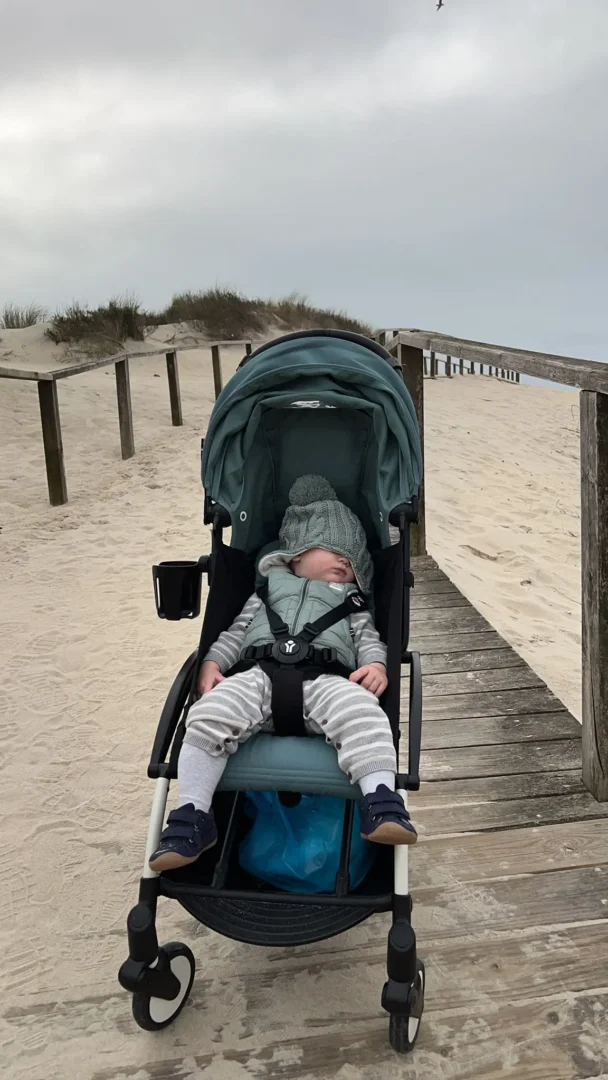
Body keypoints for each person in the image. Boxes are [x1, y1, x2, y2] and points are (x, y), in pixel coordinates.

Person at [149, 475, 417, 872]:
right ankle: (193, 816)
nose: (345, 561)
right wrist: (212, 663)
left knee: (364, 712)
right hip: (256, 676)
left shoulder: (353, 602)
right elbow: (234, 633)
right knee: (206, 715)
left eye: (352, 559)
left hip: (328, 681)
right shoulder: (266, 592)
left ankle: (380, 801)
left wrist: (376, 664)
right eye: (334, 550)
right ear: (295, 554)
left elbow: (369, 639)